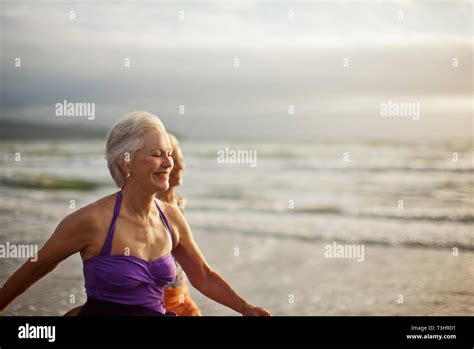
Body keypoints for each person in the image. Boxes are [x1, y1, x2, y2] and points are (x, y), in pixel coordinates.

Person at [0, 111, 271, 317]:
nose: (168, 163)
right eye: (157, 155)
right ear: (125, 161)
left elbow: (203, 275)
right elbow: (35, 268)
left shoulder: (171, 217)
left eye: (169, 154)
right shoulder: (92, 221)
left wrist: (245, 308)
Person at [160, 133, 202, 316]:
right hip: (159, 299)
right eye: (174, 161)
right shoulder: (151, 206)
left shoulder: (180, 202)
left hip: (182, 293)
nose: (181, 166)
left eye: (181, 159)